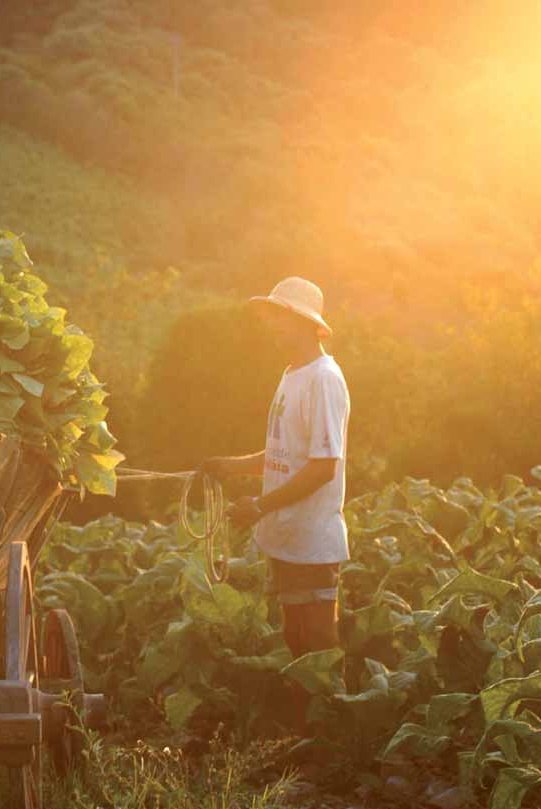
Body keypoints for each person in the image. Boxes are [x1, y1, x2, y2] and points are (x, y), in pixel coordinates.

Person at [200, 276, 350, 734]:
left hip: (312, 535)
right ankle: (308, 731)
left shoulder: (324, 379)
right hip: (286, 535)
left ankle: (334, 732)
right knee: (294, 637)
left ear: (306, 325)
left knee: (319, 642)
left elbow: (323, 465)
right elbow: (282, 453)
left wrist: (260, 506)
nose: (274, 327)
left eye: (282, 318)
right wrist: (230, 466)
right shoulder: (291, 375)